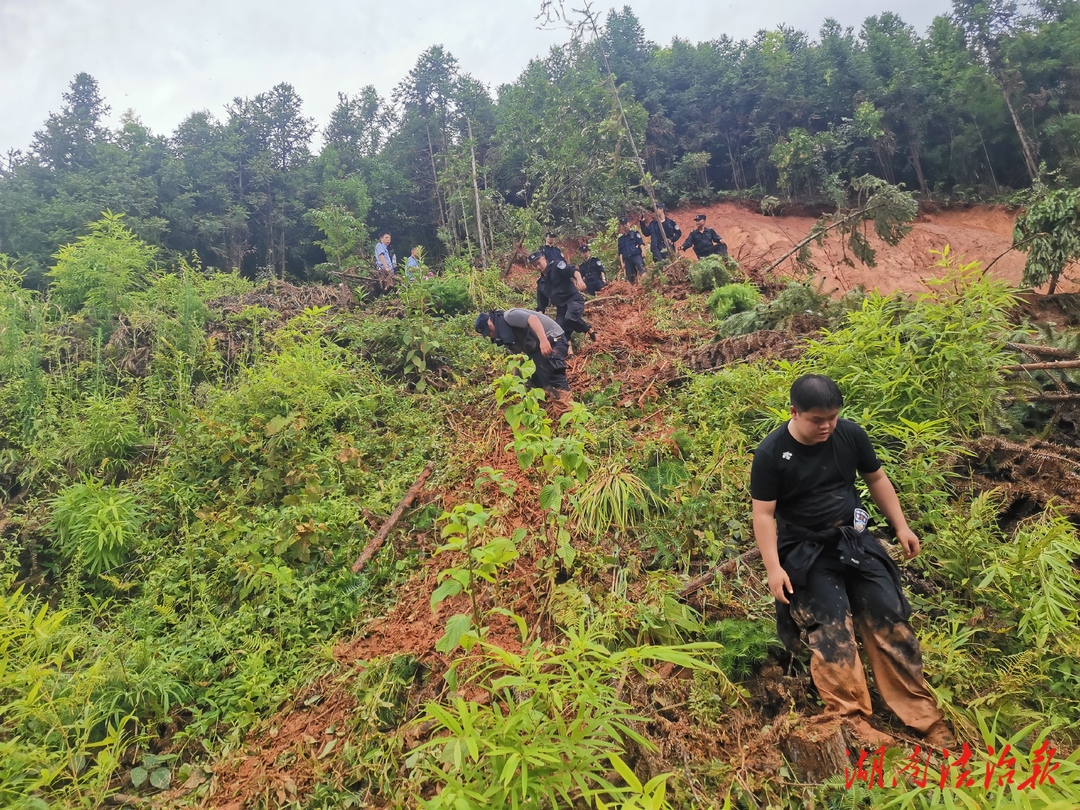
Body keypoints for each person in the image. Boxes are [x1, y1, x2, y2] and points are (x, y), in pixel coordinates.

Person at [750, 374, 956, 750]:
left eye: (832, 417)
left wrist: (902, 525)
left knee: (889, 618)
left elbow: (876, 478)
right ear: (794, 412)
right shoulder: (771, 453)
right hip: (806, 549)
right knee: (831, 631)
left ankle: (923, 717)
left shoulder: (850, 435)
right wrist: (773, 568)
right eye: (817, 419)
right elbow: (763, 514)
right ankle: (853, 719)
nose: (827, 425)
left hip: (854, 538)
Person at [474, 308, 574, 415]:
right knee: (527, 375)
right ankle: (537, 411)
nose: (491, 334)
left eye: (489, 330)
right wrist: (515, 377)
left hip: (552, 338)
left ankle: (568, 413)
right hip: (536, 349)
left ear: (490, 321)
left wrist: (543, 340)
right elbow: (516, 355)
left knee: (552, 371)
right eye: (488, 333)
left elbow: (533, 319)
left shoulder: (510, 316)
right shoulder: (504, 333)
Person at [527, 250, 595, 343]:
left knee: (570, 318)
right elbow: (541, 303)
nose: (538, 267)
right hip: (561, 308)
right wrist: (539, 317)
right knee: (559, 330)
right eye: (535, 266)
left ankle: (590, 331)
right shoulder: (541, 283)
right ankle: (570, 354)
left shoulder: (556, 266)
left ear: (544, 259)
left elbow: (572, 270)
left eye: (539, 263)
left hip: (573, 300)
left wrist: (579, 280)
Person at [617, 217, 646, 284]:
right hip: (627, 259)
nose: (625, 226)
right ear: (621, 226)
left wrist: (643, 251)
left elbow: (641, 243)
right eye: (623, 225)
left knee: (641, 269)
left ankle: (646, 284)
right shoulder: (620, 239)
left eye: (626, 224)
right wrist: (622, 263)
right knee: (631, 277)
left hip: (636, 256)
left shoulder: (635, 234)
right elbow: (620, 252)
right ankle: (635, 290)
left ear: (629, 224)